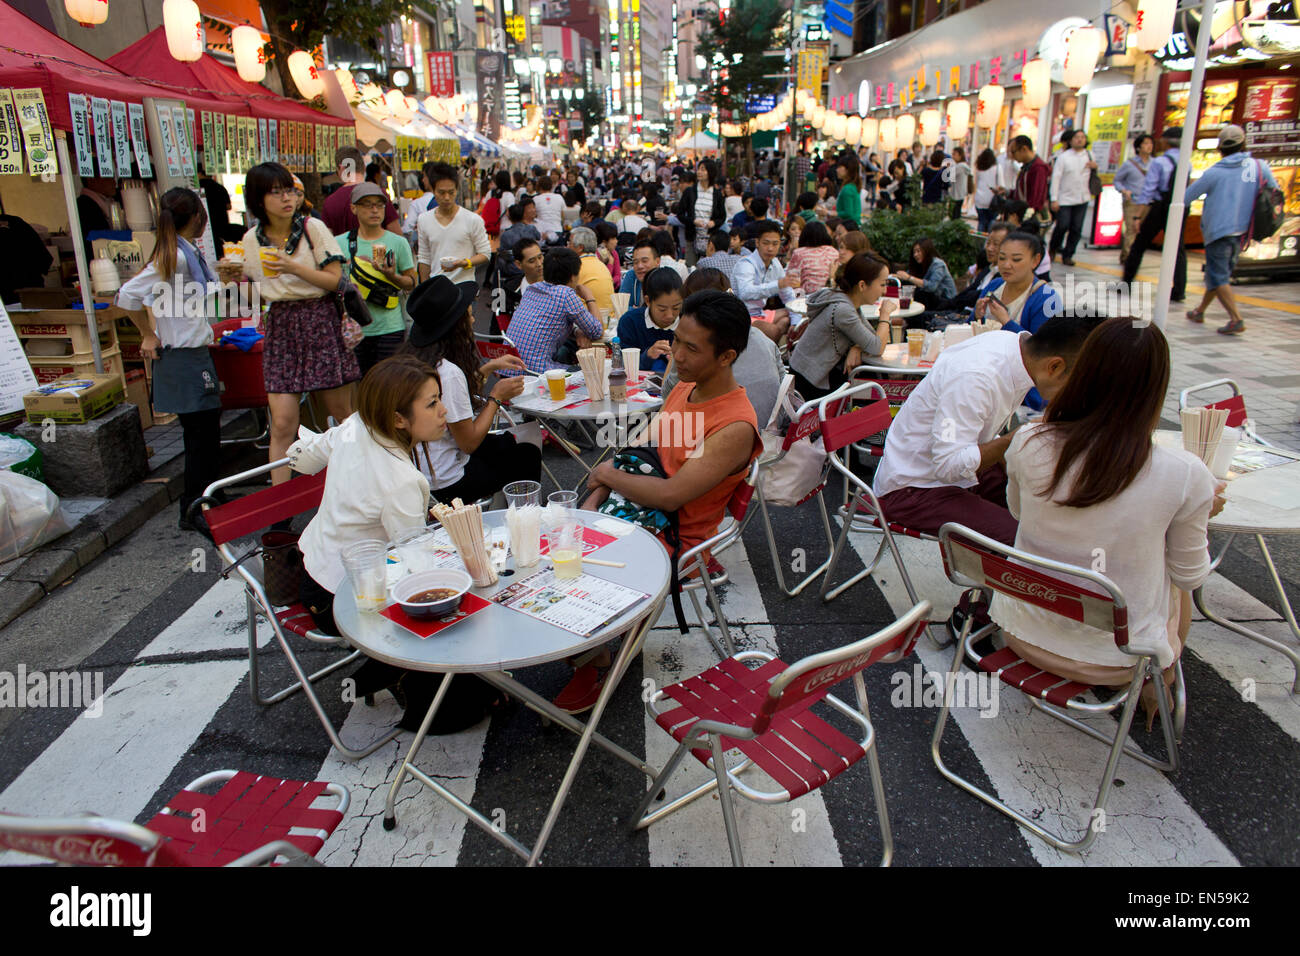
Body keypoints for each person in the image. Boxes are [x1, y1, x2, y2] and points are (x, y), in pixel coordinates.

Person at [990, 318, 1223, 724]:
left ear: (1086, 370)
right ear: (1155, 389)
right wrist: (1194, 514)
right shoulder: (1185, 474)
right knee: (1172, 581)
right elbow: (1191, 576)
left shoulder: (1029, 440)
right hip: (1118, 660)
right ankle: (1158, 682)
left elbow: (1019, 512)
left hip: (1019, 633)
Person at [566, 291, 763, 712]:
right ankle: (591, 644)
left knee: (566, 562)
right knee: (554, 542)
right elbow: (643, 453)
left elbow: (673, 494)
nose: (677, 354)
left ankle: (599, 653)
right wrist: (596, 495)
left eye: (691, 348)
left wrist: (603, 478)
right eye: (677, 340)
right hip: (641, 511)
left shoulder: (735, 426)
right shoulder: (686, 390)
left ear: (726, 356)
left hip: (676, 536)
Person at [873, 314, 1099, 550]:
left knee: (1050, 512)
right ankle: (1000, 580)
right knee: (1028, 545)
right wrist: (1014, 439)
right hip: (914, 487)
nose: (1076, 393)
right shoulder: (977, 376)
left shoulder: (1014, 349)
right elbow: (947, 466)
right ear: (1054, 366)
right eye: (1077, 384)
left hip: (950, 467)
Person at [223, 162, 357, 486]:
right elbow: (250, 298)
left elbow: (336, 281)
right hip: (281, 324)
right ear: (257, 199)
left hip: (319, 319)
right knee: (283, 423)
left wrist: (293, 267)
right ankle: (280, 506)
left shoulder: (313, 229)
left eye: (290, 191)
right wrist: (231, 278)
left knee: (342, 416)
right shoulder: (250, 240)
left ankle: (356, 485)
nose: (287, 198)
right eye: (276, 192)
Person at [117, 188, 224, 535]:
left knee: (206, 434)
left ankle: (207, 499)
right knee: (199, 437)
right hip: (182, 358)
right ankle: (193, 509)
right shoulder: (175, 256)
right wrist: (147, 334)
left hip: (193, 354)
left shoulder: (183, 253)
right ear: (196, 218)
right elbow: (127, 295)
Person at [399, 276, 540, 502]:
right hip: (448, 483)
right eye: (469, 313)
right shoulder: (447, 371)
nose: (473, 319)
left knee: (506, 444)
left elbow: (455, 398)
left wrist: (489, 367)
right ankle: (524, 516)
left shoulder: (413, 359)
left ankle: (507, 510)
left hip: (416, 470)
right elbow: (469, 443)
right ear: (456, 324)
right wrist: (496, 397)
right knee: (527, 454)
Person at [1183, 124, 1276, 336]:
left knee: (1218, 276)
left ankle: (1236, 319)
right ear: (1243, 144)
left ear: (1220, 149)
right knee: (1219, 274)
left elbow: (1186, 198)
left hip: (1218, 231)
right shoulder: (1258, 166)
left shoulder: (1214, 172)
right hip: (1243, 231)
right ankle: (1199, 311)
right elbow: (1274, 190)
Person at [663, 269, 785, 428]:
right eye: (677, 340)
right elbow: (784, 387)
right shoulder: (762, 339)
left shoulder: (702, 346)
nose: (679, 355)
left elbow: (667, 397)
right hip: (771, 434)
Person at [789, 253, 899, 399]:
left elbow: (873, 339)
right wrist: (885, 315)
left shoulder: (847, 301)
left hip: (816, 374)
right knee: (871, 384)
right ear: (862, 285)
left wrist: (857, 347)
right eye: (882, 284)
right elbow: (877, 347)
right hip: (808, 383)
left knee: (867, 378)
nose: (884, 291)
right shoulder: (843, 310)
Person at [335, 183, 418, 376]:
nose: (374, 210)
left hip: (390, 327)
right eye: (367, 205)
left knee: (388, 385)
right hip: (354, 330)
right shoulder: (340, 243)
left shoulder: (398, 242)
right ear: (353, 208)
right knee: (360, 387)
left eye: (380, 205)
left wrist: (391, 275)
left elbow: (412, 283)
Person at [504, 247, 604, 374]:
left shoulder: (532, 289)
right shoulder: (566, 294)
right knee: (592, 373)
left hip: (508, 368)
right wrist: (589, 298)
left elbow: (547, 323)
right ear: (573, 277)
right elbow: (597, 331)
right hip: (534, 372)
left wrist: (577, 331)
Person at [1122, 127, 1186, 303]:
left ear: (1164, 141)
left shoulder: (1159, 163)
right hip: (1179, 207)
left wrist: (1138, 216)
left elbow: (1148, 191)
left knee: (1140, 244)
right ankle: (1179, 289)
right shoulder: (1187, 161)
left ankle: (1126, 282)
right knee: (1178, 248)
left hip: (1159, 207)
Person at [416, 162, 491, 291]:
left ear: (457, 190)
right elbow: (424, 258)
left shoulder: (472, 219)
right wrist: (424, 290)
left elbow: (485, 254)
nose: (447, 198)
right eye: (441, 192)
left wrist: (465, 263)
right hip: (436, 288)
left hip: (464, 289)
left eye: (451, 192)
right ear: (433, 191)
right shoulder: (424, 219)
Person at [732, 220, 798, 341]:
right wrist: (778, 285)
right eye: (766, 243)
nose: (770, 248)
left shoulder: (775, 263)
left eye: (775, 244)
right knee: (774, 330)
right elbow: (745, 292)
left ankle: (769, 343)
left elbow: (788, 296)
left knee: (791, 317)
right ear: (757, 243)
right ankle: (770, 342)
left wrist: (795, 324)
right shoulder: (746, 264)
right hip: (742, 316)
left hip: (760, 313)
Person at [615, 266, 683, 376]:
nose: (670, 315)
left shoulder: (688, 322)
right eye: (662, 309)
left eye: (676, 308)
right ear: (648, 301)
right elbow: (623, 365)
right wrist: (648, 355)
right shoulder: (630, 322)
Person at [322, 146, 401, 235]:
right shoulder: (379, 194)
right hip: (377, 248)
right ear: (364, 167)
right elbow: (396, 233)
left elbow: (327, 240)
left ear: (341, 168)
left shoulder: (330, 202)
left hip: (341, 249)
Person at [1048, 129, 1097, 266]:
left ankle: (1068, 254)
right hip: (1064, 198)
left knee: (1076, 228)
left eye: (1082, 137)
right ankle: (1053, 248)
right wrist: (1054, 198)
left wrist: (1095, 166)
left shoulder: (1089, 155)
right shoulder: (1063, 157)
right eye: (1077, 137)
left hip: (1082, 197)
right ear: (1071, 140)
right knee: (1062, 225)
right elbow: (1056, 178)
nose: (1080, 140)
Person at [1114, 133, 1154, 265]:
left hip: (1148, 202)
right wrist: (1124, 191)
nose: (1149, 146)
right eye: (1146, 143)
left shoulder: (1155, 164)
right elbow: (1117, 181)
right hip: (1132, 201)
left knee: (1142, 232)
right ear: (1138, 147)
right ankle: (1128, 258)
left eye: (1150, 143)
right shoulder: (1129, 164)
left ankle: (1133, 256)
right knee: (1131, 229)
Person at [680, 158, 725, 265]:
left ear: (711, 172)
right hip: (692, 237)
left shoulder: (717, 193)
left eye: (703, 169)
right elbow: (680, 214)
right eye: (699, 169)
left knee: (710, 269)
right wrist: (693, 221)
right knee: (691, 268)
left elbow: (722, 216)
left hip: (711, 240)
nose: (699, 172)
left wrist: (713, 223)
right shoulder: (690, 191)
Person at [894, 238, 957, 309]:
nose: (915, 255)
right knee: (907, 286)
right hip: (930, 300)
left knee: (919, 293)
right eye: (914, 252)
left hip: (944, 301)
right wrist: (893, 277)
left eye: (918, 251)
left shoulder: (938, 264)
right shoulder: (919, 264)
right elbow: (906, 276)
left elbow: (931, 287)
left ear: (927, 251)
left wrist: (909, 277)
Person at [570, 225, 616, 317]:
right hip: (609, 319)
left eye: (569, 243)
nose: (566, 247)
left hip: (590, 322)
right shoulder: (601, 265)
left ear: (580, 248)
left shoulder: (576, 267)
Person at [785, 220, 841, 295]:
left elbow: (791, 279)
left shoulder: (799, 253)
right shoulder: (834, 252)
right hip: (831, 294)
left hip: (807, 297)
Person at [1010, 135, 1050, 222]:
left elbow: (1036, 196)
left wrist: (1029, 213)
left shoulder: (1038, 168)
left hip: (1031, 217)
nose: (1012, 156)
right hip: (1023, 213)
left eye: (1013, 152)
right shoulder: (1026, 167)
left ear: (1024, 149)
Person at [619, 237, 660, 307]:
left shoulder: (666, 280)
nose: (640, 266)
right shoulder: (631, 276)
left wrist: (637, 312)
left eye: (644, 261)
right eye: (635, 262)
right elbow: (620, 307)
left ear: (657, 261)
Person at [973, 148, 1006, 233]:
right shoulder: (997, 168)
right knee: (992, 221)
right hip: (992, 200)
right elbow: (1001, 185)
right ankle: (988, 241)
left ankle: (979, 241)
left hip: (979, 198)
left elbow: (976, 182)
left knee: (981, 221)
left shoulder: (979, 168)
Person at [532, 174, 566, 241]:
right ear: (551, 186)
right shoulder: (559, 197)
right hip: (557, 229)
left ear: (539, 186)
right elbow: (563, 216)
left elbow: (534, 216)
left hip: (542, 232)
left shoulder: (535, 199)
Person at [835, 154, 863, 229]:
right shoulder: (852, 186)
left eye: (840, 167)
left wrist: (830, 213)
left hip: (849, 227)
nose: (837, 170)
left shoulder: (847, 188)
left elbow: (848, 213)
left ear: (848, 170)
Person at [594, 220, 622, 286]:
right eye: (613, 238)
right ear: (604, 242)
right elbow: (603, 279)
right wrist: (610, 263)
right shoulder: (595, 255)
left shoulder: (614, 253)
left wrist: (611, 281)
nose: (616, 241)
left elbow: (618, 275)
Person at [947, 146, 972, 221]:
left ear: (960, 155)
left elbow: (950, 176)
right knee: (956, 214)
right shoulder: (963, 166)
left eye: (954, 154)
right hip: (960, 193)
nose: (952, 156)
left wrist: (948, 168)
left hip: (956, 194)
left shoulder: (960, 167)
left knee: (954, 215)